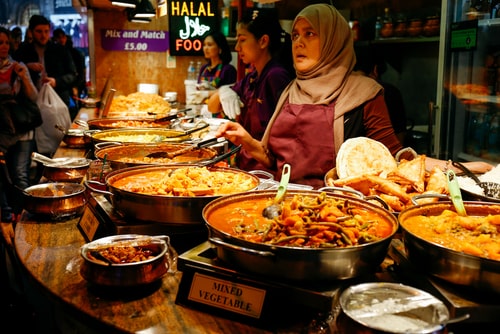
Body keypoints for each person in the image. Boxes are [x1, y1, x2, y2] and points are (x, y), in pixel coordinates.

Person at [215, 4, 491, 188]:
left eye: (310, 34)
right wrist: (250, 143)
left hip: (333, 212)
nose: (298, 42)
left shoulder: (363, 93)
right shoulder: (291, 90)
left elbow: (396, 159)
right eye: (296, 35)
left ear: (334, 40)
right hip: (279, 201)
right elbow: (276, 160)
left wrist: (458, 168)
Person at [207, 8, 294, 171]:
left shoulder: (276, 76)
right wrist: (223, 92)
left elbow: (283, 141)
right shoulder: (253, 76)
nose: (237, 47)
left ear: (263, 41)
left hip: (265, 171)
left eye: (242, 40)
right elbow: (211, 106)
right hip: (246, 165)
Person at [0, 27, 38, 222]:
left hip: (22, 130)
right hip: (3, 134)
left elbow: (33, 97)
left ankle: (25, 220)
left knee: (20, 175)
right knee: (6, 180)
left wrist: (24, 76)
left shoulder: (18, 67)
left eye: (6, 42)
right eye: (0, 43)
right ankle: (11, 217)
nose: (4, 47)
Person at [14, 15, 77, 114]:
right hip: (31, 106)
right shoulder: (23, 51)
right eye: (39, 31)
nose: (43, 36)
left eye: (46, 31)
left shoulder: (60, 50)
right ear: (31, 32)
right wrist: (27, 66)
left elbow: (73, 75)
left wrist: (55, 81)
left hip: (58, 103)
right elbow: (14, 71)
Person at [354, 45, 408, 145]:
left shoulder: (335, 92)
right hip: (381, 155)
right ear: (375, 69)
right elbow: (399, 134)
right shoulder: (385, 91)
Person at [53, 28, 86, 117]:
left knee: (74, 112)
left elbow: (81, 73)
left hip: (74, 87)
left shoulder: (75, 53)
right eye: (58, 38)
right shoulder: (53, 53)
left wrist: (76, 86)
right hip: (62, 90)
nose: (61, 40)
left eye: (63, 37)